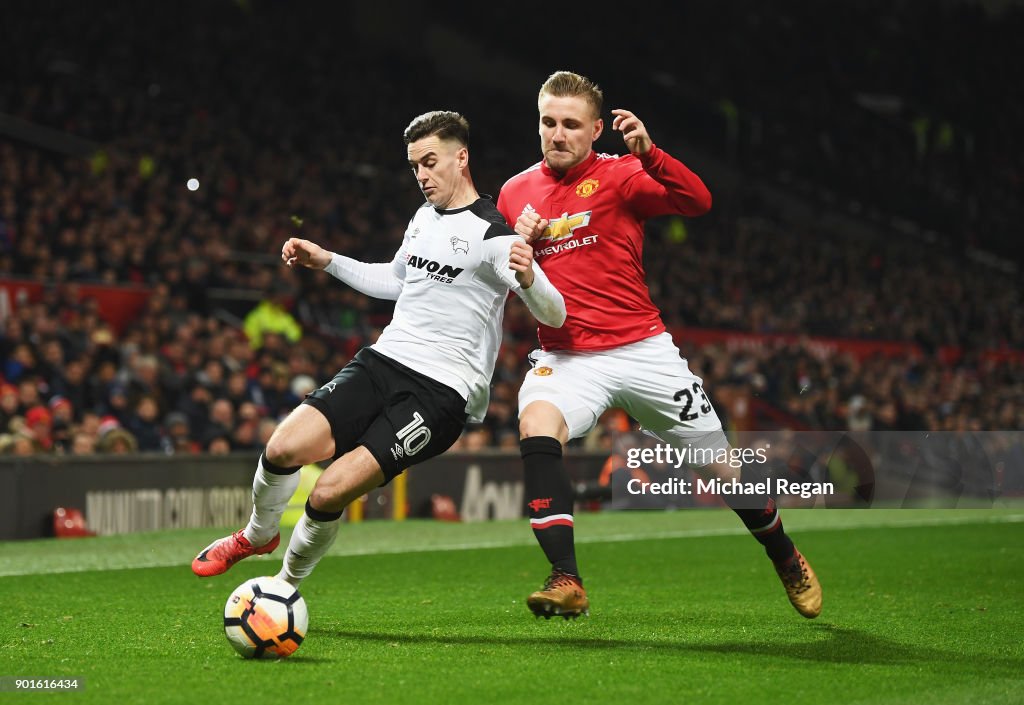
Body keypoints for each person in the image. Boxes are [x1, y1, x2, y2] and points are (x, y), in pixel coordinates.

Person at [496, 71, 821, 619]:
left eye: (571, 124)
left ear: (596, 129)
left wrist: (651, 154)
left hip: (642, 350)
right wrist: (518, 243)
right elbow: (505, 272)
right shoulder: (514, 192)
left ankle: (784, 554)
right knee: (536, 427)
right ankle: (565, 578)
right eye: (548, 122)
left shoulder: (623, 175)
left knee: (722, 472)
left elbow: (698, 201)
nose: (557, 133)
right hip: (566, 356)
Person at [192, 110, 566, 585]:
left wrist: (530, 277)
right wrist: (327, 260)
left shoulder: (493, 234)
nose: (422, 176)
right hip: (384, 360)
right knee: (283, 447)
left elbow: (554, 313)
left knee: (328, 492)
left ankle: (281, 589)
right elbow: (396, 281)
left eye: (430, 162)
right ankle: (257, 535)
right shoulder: (423, 218)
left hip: (441, 393)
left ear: (462, 157)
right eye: (415, 167)